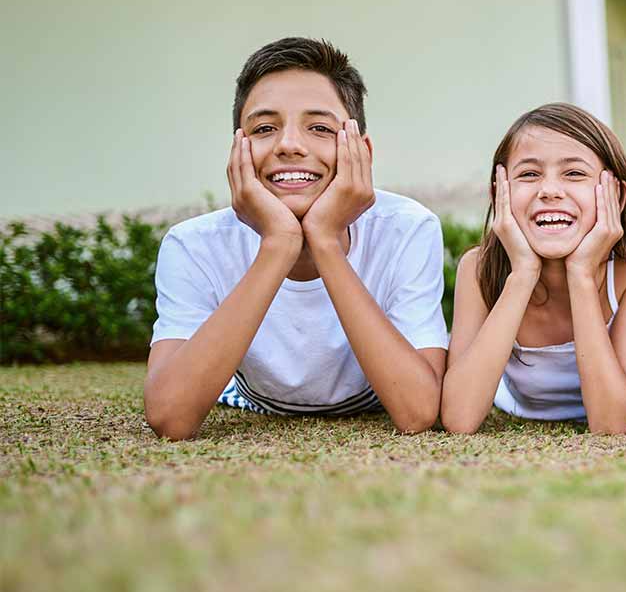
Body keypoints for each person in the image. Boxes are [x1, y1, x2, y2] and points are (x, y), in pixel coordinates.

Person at [145, 37, 448, 440]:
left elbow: (417, 411)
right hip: (249, 399)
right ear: (239, 148)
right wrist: (279, 245)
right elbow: (170, 417)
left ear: (361, 151)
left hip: (375, 398)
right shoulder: (193, 245)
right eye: (265, 128)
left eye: (320, 128)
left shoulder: (408, 229)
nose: (289, 145)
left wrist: (324, 240)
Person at [442, 103, 626, 434]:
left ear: (616, 195)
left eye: (574, 173)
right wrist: (521, 275)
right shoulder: (477, 268)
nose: (549, 190)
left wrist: (581, 275)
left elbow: (611, 423)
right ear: (498, 193)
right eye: (529, 174)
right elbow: (459, 419)